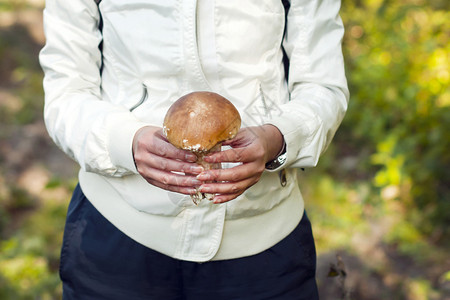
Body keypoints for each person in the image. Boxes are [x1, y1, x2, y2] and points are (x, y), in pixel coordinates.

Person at [40, 0, 348, 299]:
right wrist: (123, 143)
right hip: (117, 238)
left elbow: (323, 87)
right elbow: (66, 93)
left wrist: (279, 138)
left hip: (264, 251)